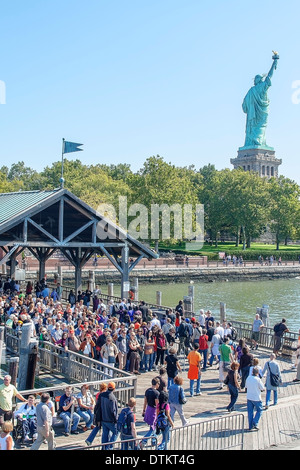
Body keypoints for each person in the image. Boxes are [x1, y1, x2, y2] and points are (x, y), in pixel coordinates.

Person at [97, 381, 118, 449]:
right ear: (114, 389)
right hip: (110, 420)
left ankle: (104, 448)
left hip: (103, 419)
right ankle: (110, 446)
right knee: (116, 432)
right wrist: (116, 420)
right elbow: (113, 411)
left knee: (105, 434)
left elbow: (98, 406)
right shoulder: (112, 398)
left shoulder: (101, 395)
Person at [245, 367, 265, 431]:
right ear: (257, 373)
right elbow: (262, 388)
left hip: (249, 397)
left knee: (250, 412)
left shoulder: (248, 378)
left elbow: (246, 386)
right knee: (260, 410)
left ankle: (250, 426)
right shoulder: (258, 379)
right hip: (256, 397)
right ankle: (255, 422)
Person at [142, 378, 160, 446]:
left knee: (152, 426)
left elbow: (145, 402)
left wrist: (144, 410)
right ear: (157, 384)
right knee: (152, 428)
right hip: (153, 410)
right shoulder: (156, 393)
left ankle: (154, 441)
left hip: (148, 409)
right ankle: (144, 441)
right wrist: (158, 413)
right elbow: (157, 405)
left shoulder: (147, 391)